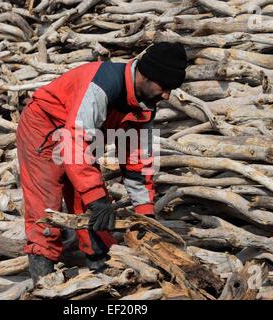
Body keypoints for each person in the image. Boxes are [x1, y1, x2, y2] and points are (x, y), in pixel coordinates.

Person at [17, 42, 187, 283]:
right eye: (165, 86)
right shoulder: (102, 84)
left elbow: (138, 162)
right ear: (147, 74)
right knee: (46, 205)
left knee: (88, 200)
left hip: (81, 136)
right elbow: (75, 141)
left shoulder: (145, 106)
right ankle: (42, 279)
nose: (167, 95)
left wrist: (145, 215)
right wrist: (97, 199)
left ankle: (99, 268)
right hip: (44, 127)